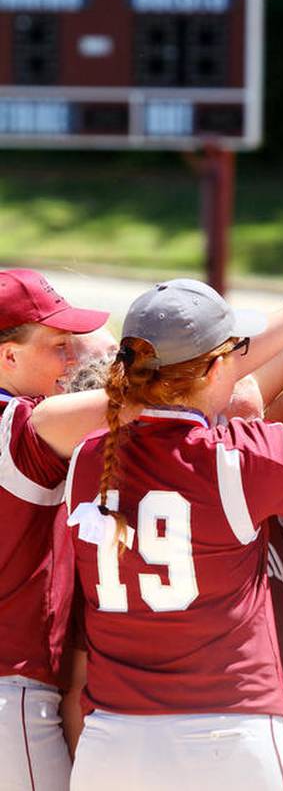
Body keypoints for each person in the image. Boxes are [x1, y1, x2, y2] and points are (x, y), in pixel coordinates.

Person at [59, 224, 283, 791]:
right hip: (226, 732)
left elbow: (182, 390)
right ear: (221, 368)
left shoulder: (88, 454)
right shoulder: (236, 460)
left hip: (113, 741)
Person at [0, 267, 109, 791]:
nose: (73, 359)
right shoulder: (23, 426)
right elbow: (162, 397)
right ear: (9, 356)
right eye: (58, 345)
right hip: (9, 692)